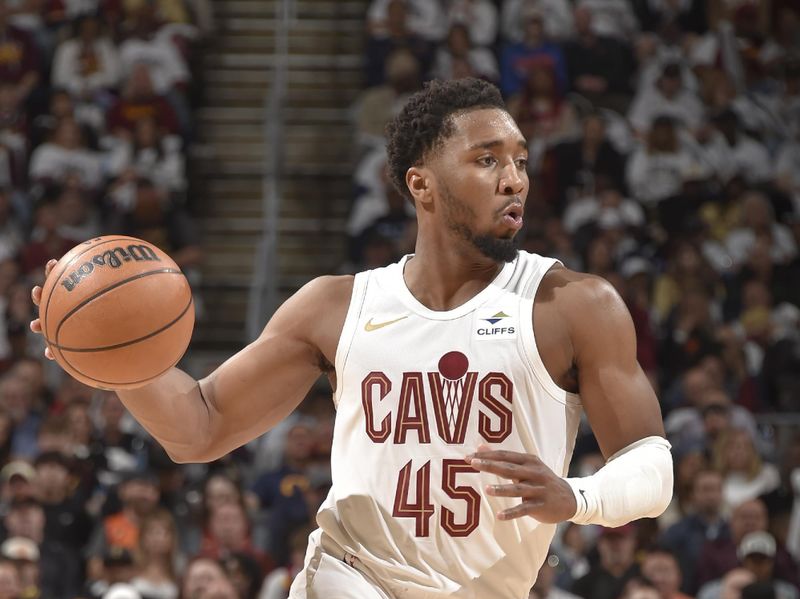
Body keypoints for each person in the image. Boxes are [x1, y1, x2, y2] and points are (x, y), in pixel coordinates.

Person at [29, 78, 674, 598]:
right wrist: (118, 357)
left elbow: (652, 467)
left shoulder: (574, 305)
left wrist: (579, 498)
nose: (515, 180)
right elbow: (200, 427)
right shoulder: (338, 306)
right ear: (420, 183)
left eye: (520, 161)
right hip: (350, 579)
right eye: (487, 160)